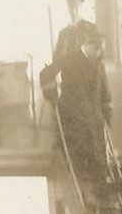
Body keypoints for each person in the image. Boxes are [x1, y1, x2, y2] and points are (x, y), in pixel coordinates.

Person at [47, 28, 112, 192]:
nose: (99, 54)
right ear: (89, 45)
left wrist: (107, 114)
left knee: (98, 152)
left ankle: (99, 187)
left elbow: (105, 92)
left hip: (94, 116)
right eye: (98, 50)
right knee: (80, 150)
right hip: (73, 114)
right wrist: (52, 94)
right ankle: (85, 184)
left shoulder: (98, 65)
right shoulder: (69, 59)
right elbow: (46, 74)